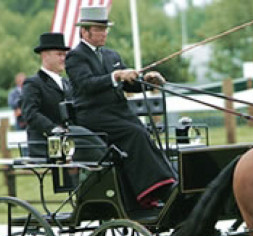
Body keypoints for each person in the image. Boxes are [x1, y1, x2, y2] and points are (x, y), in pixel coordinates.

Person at [65, 5, 176, 209]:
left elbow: (128, 82)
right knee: (135, 133)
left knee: (146, 133)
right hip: (93, 115)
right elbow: (86, 85)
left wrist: (146, 80)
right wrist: (115, 76)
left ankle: (166, 182)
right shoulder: (75, 57)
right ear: (85, 31)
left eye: (105, 29)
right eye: (99, 29)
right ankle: (153, 190)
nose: (104, 33)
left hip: (118, 112)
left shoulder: (111, 55)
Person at [21, 32, 106, 161]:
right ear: (45, 56)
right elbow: (30, 113)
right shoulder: (33, 83)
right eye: (59, 54)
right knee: (96, 151)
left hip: (72, 139)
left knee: (102, 145)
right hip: (47, 143)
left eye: (64, 55)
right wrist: (54, 129)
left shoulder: (67, 83)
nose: (63, 58)